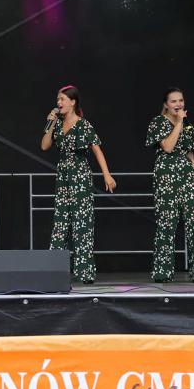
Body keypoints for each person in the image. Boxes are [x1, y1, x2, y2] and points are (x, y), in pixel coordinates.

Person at [41, 85, 116, 284]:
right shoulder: (57, 123)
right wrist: (50, 123)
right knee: (60, 223)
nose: (59, 103)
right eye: (58, 99)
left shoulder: (84, 125)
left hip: (80, 176)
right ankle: (55, 272)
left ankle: (85, 272)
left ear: (73, 102)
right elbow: (45, 145)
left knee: (82, 223)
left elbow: (97, 149)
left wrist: (106, 175)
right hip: (63, 177)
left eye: (62, 99)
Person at [145, 87, 194, 283]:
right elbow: (168, 147)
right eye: (174, 101)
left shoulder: (188, 126)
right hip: (166, 176)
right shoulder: (158, 122)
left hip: (186, 176)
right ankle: (163, 271)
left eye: (181, 100)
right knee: (167, 223)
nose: (178, 104)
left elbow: (190, 153)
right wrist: (178, 122)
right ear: (166, 105)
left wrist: (193, 178)